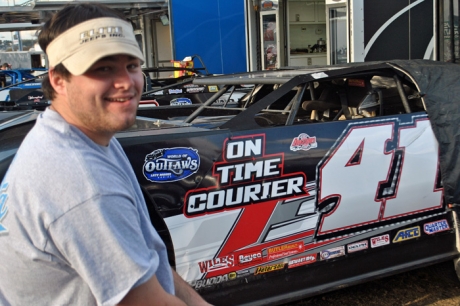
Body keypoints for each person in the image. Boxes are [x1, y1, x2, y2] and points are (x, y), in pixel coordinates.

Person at [0, 3, 211, 306]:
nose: (126, 82)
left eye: (132, 65)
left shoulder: (79, 136)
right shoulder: (79, 180)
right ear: (58, 79)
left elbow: (149, 261)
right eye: (103, 68)